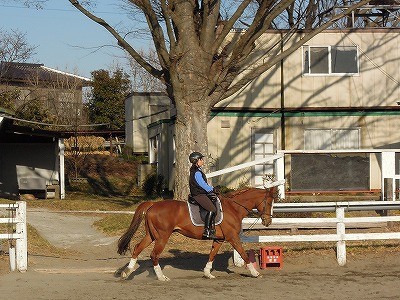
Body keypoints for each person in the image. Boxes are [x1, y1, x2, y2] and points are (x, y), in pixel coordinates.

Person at [188, 151, 218, 239]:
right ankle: (207, 230)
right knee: (212, 209)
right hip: (199, 195)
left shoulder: (196, 170)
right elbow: (202, 184)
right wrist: (212, 189)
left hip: (200, 193)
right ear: (196, 161)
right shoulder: (197, 172)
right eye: (201, 159)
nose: (202, 161)